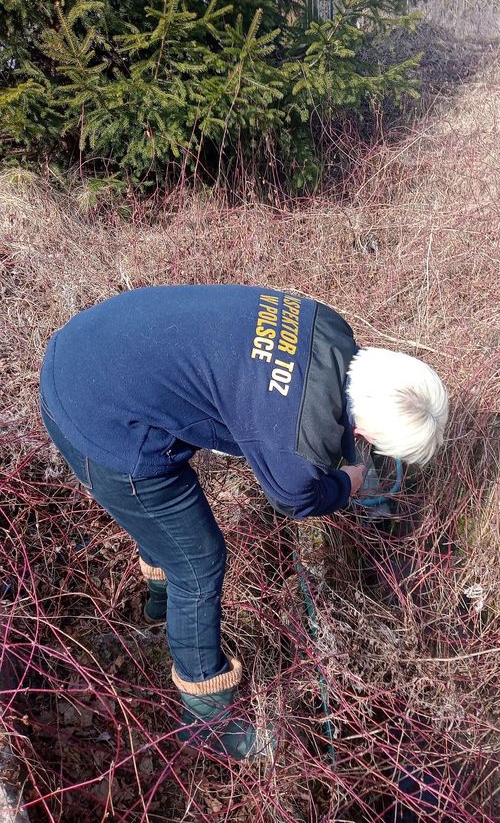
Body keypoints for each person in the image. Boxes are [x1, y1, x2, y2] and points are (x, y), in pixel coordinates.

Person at [39, 285, 449, 759]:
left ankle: (158, 605)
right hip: (101, 421)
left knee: (167, 528)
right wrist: (349, 484)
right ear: (363, 433)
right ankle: (205, 718)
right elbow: (295, 497)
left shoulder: (332, 328)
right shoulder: (297, 437)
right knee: (199, 563)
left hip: (88, 349)